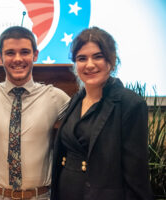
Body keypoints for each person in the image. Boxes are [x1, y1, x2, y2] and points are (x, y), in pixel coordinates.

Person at [51, 27, 152, 200]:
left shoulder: (130, 104)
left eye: (98, 56)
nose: (89, 64)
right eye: (82, 58)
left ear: (111, 61)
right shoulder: (76, 100)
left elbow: (136, 175)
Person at [0, 26, 70, 200]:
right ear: (0, 57)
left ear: (35, 55)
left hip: (40, 196)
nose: (18, 59)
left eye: (25, 52)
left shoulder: (56, 98)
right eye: (10, 53)